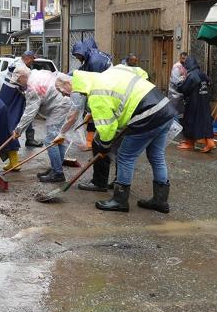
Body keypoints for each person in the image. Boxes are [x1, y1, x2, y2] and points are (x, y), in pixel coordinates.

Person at [55, 68, 177, 213]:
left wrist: (104, 146)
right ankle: (160, 201)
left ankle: (120, 200)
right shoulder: (107, 74)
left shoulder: (96, 93)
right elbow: (140, 75)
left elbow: (108, 127)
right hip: (165, 108)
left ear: (74, 87)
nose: (75, 95)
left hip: (147, 114)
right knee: (156, 156)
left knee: (125, 156)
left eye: (66, 93)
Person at [12, 67, 74, 183]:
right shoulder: (36, 73)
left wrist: (18, 130)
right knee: (58, 139)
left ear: (22, 77)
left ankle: (57, 173)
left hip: (60, 106)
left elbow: (30, 112)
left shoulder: (32, 86)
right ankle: (55, 168)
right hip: (64, 103)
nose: (19, 85)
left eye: (19, 81)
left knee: (51, 141)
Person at [71, 38, 112, 151]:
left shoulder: (94, 61)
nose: (77, 58)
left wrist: (90, 105)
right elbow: (82, 70)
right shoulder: (91, 56)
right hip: (104, 87)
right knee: (93, 116)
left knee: (99, 116)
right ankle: (92, 142)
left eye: (77, 55)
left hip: (104, 90)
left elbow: (94, 81)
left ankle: (99, 144)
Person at [0, 51, 42, 148]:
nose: (33, 61)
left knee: (26, 114)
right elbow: (28, 84)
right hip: (14, 95)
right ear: (27, 58)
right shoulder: (24, 69)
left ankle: (29, 139)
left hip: (8, 92)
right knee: (13, 117)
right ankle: (9, 141)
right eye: (32, 59)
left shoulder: (16, 62)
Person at [177, 56, 215, 152]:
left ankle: (190, 143)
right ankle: (210, 141)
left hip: (193, 103)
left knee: (190, 122)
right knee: (205, 121)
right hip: (204, 102)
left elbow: (183, 89)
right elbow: (210, 84)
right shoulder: (203, 74)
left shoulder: (192, 75)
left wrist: (181, 80)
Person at [168, 52, 188, 117]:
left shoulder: (185, 66)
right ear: (180, 58)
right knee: (174, 111)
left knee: (181, 112)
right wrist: (185, 80)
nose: (184, 60)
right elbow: (176, 80)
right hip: (174, 93)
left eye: (185, 59)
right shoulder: (176, 66)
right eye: (183, 58)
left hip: (181, 93)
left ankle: (180, 124)